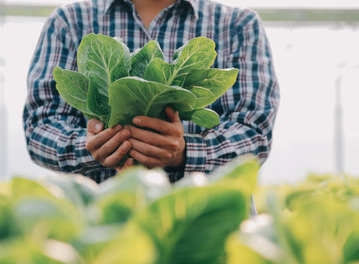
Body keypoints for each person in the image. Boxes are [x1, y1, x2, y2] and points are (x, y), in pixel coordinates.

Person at [23, 0, 279, 183]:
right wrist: (90, 146)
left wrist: (185, 152)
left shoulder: (238, 25)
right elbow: (40, 128)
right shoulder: (69, 22)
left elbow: (255, 135)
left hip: (204, 223)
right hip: (104, 225)